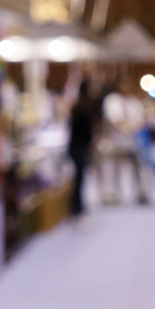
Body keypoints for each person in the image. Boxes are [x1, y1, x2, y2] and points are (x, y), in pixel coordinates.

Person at [68, 81, 99, 221]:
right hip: (80, 147)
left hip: (74, 146)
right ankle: (77, 207)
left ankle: (77, 205)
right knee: (80, 179)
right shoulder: (85, 108)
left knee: (78, 178)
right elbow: (87, 132)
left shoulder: (76, 106)